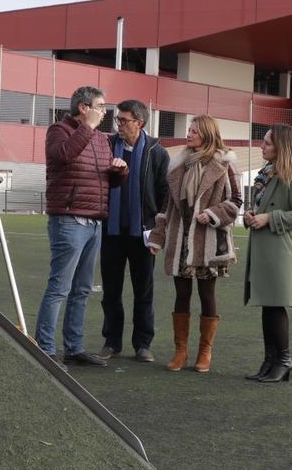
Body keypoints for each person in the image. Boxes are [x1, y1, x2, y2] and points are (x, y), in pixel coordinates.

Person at [35, 86, 128, 368]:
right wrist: (86, 128)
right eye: (100, 106)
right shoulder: (58, 130)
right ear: (84, 108)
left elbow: (104, 181)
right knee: (60, 287)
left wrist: (119, 171)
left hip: (94, 221)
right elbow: (63, 156)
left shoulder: (101, 138)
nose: (105, 111)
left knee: (82, 289)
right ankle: (45, 349)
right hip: (69, 219)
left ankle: (73, 348)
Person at [146, 115, 242, 373]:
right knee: (181, 294)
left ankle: (204, 352)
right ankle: (181, 351)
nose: (189, 135)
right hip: (180, 239)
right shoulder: (179, 164)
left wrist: (212, 214)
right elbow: (167, 207)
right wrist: (157, 237)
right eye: (189, 130)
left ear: (208, 135)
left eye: (195, 131)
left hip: (208, 240)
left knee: (207, 294)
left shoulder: (224, 162)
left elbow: (236, 201)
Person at [98, 100, 169, 363]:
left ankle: (142, 344)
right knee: (111, 291)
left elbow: (165, 197)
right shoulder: (106, 146)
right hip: (112, 232)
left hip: (143, 234)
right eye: (118, 120)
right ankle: (111, 342)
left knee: (144, 291)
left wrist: (158, 233)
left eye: (124, 120)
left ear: (139, 122)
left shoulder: (157, 153)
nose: (119, 125)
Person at [243, 123, 292, 383]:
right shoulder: (268, 173)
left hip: (280, 251)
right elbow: (262, 206)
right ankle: (270, 360)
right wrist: (253, 215)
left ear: (281, 147)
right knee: (267, 306)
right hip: (266, 247)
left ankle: (283, 359)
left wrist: (269, 218)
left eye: (268, 143)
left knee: (275, 306)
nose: (262, 146)